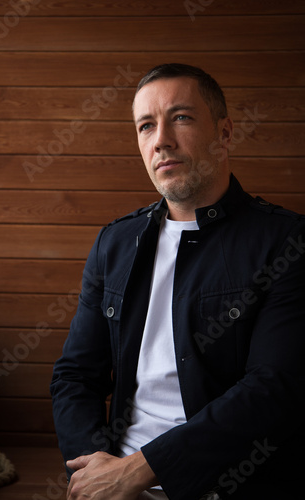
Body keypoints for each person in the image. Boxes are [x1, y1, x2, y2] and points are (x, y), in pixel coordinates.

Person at [50, 63, 305, 500]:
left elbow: (274, 389)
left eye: (181, 117)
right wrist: (94, 469)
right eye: (146, 126)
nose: (161, 140)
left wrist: (142, 469)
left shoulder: (287, 242)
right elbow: (75, 375)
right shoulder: (114, 243)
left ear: (224, 133)